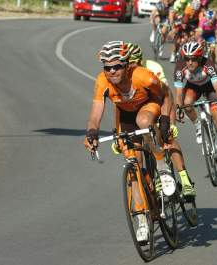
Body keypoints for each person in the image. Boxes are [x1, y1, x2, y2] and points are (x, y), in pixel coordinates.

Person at [83, 41, 173, 242]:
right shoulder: (102, 82)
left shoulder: (142, 76)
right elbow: (96, 112)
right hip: (125, 115)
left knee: (143, 120)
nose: (112, 71)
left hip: (149, 105)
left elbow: (166, 95)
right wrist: (91, 133)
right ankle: (141, 218)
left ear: (127, 65)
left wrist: (166, 120)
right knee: (132, 163)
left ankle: (161, 164)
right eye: (107, 67)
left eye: (117, 66)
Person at [126, 42, 196, 196]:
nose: (131, 68)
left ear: (140, 61)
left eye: (134, 64)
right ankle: (150, 188)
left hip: (158, 103)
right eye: (128, 64)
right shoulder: (123, 73)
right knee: (136, 150)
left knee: (167, 138)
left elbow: (167, 96)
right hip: (137, 109)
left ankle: (185, 180)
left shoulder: (153, 68)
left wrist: (170, 123)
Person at [174, 41, 217, 170]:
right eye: (187, 59)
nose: (189, 62)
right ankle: (197, 125)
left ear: (200, 58)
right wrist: (178, 109)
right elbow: (179, 94)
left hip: (209, 88)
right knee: (186, 104)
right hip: (193, 87)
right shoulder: (180, 67)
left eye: (193, 59)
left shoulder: (208, 65)